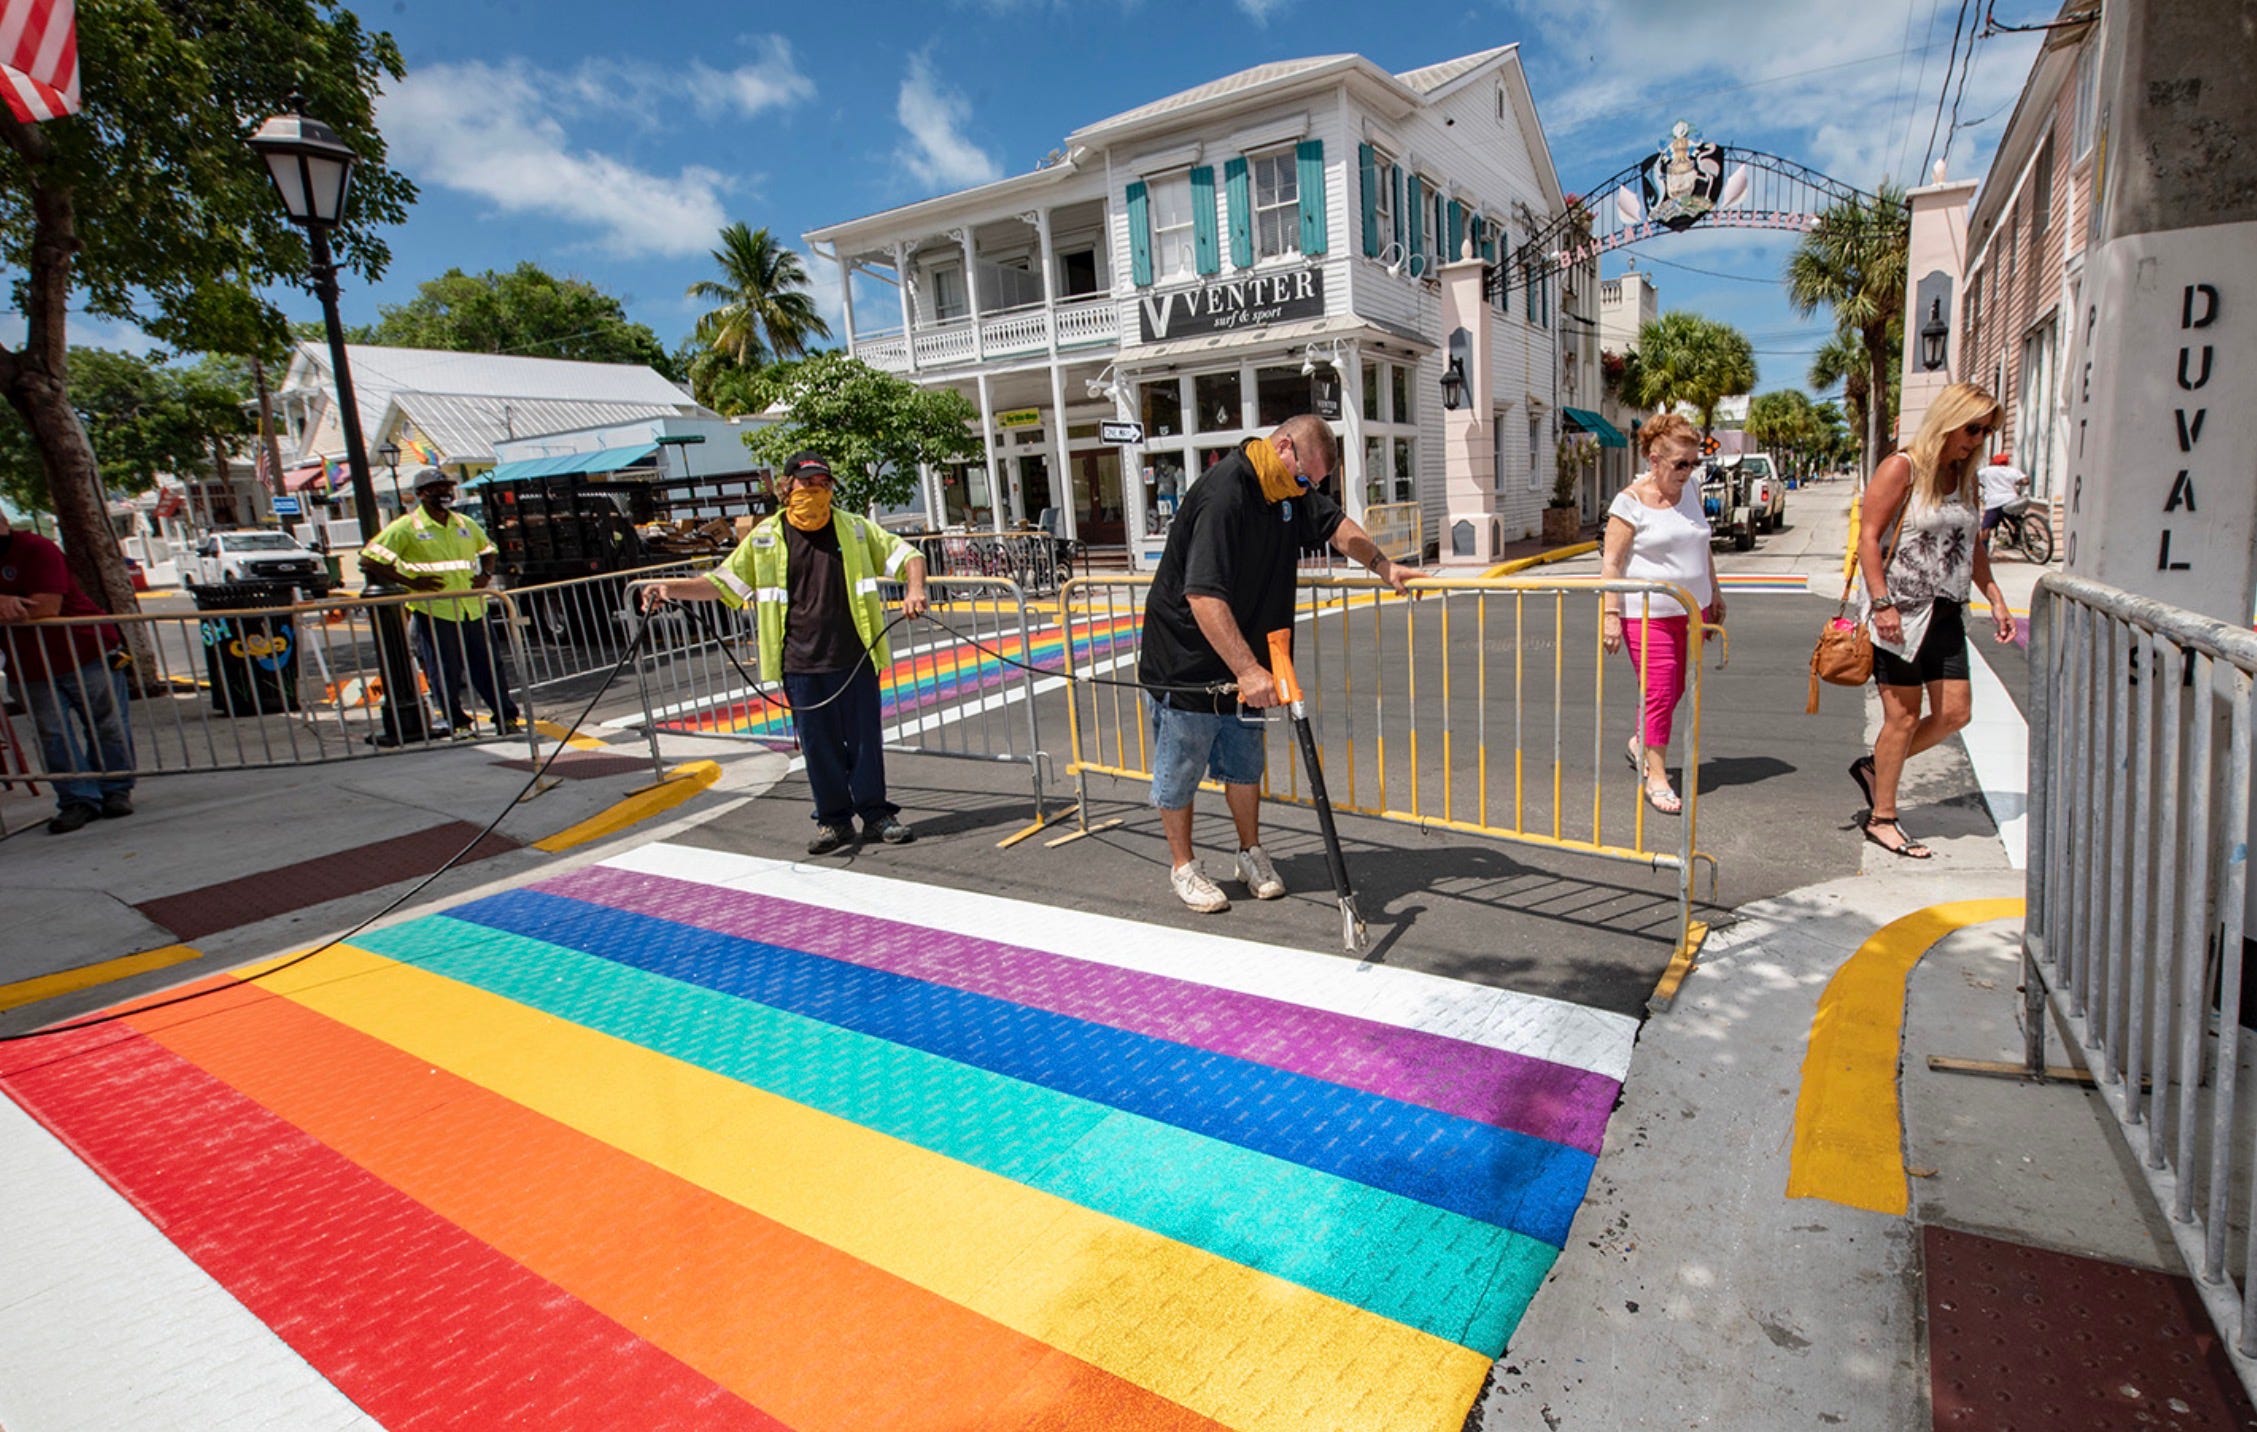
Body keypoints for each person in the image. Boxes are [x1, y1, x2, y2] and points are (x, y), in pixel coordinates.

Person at [1137, 414, 1412, 914]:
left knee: (1244, 766)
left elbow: (1334, 525)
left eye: (1315, 483)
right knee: (1179, 770)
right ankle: (1184, 866)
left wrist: (1383, 565)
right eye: (1305, 477)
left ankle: (1250, 853)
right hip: (1187, 659)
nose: (1307, 489)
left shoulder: (1289, 487)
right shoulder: (1225, 494)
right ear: (1283, 446)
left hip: (1249, 663)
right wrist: (1247, 669)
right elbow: (1202, 596)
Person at [641, 451, 930, 855]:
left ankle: (876, 816)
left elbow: (909, 556)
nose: (816, 491)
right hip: (800, 663)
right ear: (787, 487)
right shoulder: (766, 538)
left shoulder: (855, 529)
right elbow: (722, 584)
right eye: (807, 484)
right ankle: (834, 822)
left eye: (823, 484)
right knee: (818, 748)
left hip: (855, 658)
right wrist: (670, 588)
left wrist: (915, 588)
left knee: (865, 744)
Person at [1851, 382, 2016, 859]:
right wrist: (1881, 603)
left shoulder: (1964, 477)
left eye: (1985, 432)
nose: (1977, 440)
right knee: (1901, 718)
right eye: (1973, 429)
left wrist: (1994, 595)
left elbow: (1972, 544)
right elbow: (1869, 538)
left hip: (1947, 610)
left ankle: (1875, 767)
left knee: (1954, 714)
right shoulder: (1902, 468)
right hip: (1900, 612)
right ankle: (1883, 818)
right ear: (1949, 420)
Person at [1599, 412, 1724, 815]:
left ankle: (1641, 741)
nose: (1688, 472)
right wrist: (1610, 614)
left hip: (1693, 610)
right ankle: (1656, 775)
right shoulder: (1629, 502)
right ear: (1654, 460)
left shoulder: (1691, 491)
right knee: (1659, 690)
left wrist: (1716, 592)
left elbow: (1702, 546)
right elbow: (1611, 563)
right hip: (1646, 613)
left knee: (1675, 687)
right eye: (1680, 464)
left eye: (1694, 463)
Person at [359, 468, 521, 739]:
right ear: (421, 494)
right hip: (436, 611)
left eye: (447, 488)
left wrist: (485, 574)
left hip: (472, 608)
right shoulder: (406, 527)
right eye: (436, 489)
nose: (444, 493)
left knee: (489, 667)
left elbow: (489, 550)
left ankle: (505, 717)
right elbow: (369, 559)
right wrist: (410, 582)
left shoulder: (464, 523)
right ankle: (458, 723)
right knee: (445, 671)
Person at [0, 509, 134, 834]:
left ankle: (115, 789)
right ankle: (77, 800)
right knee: (52, 734)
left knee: (108, 724)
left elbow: (46, 606)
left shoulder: (36, 548)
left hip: (85, 650)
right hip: (28, 664)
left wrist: (10, 605)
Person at [1977, 446, 2028, 545]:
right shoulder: (2012, 470)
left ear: (1993, 462)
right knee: (2017, 521)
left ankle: (1984, 549)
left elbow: (1974, 477)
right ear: (2007, 462)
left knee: (1985, 528)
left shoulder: (1987, 471)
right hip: (2011, 501)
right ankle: (2022, 541)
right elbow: (2026, 481)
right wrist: (2015, 482)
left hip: (1994, 503)